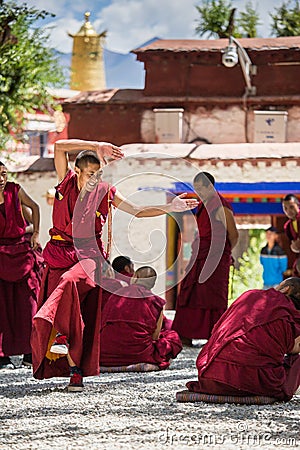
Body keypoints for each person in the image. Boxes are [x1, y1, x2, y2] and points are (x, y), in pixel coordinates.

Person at [32, 138, 198, 391]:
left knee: (68, 285)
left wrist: (169, 207)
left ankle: (62, 335)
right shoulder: (65, 183)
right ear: (76, 171)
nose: (94, 180)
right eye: (89, 174)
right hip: (58, 254)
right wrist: (97, 144)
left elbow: (137, 211)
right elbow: (59, 146)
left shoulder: (105, 191)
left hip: (89, 258)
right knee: (78, 314)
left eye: (98, 174)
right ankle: (75, 373)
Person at [186, 278, 300, 402]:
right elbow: (293, 349)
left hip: (211, 376)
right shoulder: (292, 318)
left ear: (286, 289)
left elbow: (218, 329)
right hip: (254, 383)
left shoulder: (251, 295)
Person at [172, 172, 238, 346]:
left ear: (210, 186)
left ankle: (213, 334)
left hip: (215, 260)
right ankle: (185, 334)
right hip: (199, 256)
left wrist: (225, 254)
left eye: (201, 189)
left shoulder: (220, 206)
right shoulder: (203, 205)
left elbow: (233, 234)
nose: (199, 193)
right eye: (196, 190)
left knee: (212, 296)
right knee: (190, 291)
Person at [0, 161, 41, 369]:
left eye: (4, 174)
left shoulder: (14, 191)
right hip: (0, 256)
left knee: (28, 305)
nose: (1, 178)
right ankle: (2, 356)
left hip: (22, 254)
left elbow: (35, 207)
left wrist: (35, 233)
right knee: (2, 307)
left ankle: (29, 352)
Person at [100, 266, 182, 369]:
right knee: (173, 337)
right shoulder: (156, 302)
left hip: (107, 353)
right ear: (153, 284)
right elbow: (155, 337)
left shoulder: (116, 295)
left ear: (135, 277)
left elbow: (102, 325)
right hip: (139, 354)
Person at [282, 194, 300, 276]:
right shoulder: (287, 226)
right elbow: (292, 244)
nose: (288, 211)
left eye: (291, 207)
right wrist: (294, 248)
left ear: (298, 205)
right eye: (285, 208)